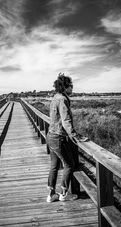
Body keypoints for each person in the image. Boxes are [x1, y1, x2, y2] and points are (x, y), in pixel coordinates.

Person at [46, 73, 88, 203]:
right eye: (71, 86)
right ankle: (64, 193)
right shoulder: (63, 99)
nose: (72, 89)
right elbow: (66, 121)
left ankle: (51, 194)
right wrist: (76, 136)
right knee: (69, 165)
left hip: (50, 136)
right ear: (65, 87)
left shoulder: (55, 97)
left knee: (54, 166)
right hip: (59, 137)